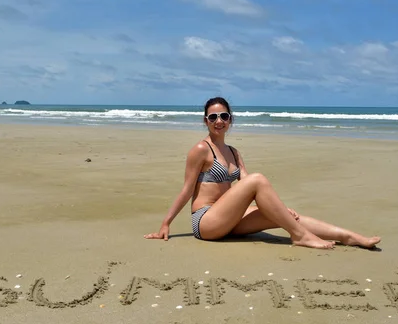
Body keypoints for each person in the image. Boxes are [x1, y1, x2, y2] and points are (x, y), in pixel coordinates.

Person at [144, 97, 381, 250]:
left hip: (230, 219)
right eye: (213, 117)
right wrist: (166, 224)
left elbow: (246, 186)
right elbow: (187, 190)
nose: (219, 121)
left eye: (224, 116)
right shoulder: (200, 150)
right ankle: (301, 237)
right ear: (205, 121)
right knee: (259, 180)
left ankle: (350, 237)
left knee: (286, 216)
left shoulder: (234, 153)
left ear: (230, 120)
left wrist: (278, 208)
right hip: (207, 222)